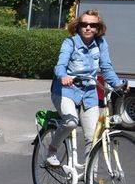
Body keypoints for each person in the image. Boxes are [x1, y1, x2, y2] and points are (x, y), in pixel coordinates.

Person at [44, 9, 127, 167]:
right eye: (84, 24)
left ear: (98, 28)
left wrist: (118, 85)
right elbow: (60, 65)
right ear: (78, 26)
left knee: (93, 137)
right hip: (65, 90)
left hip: (89, 93)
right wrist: (63, 77)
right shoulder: (70, 42)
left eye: (93, 25)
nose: (88, 28)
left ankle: (91, 179)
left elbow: (106, 68)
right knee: (70, 122)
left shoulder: (101, 44)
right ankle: (52, 151)